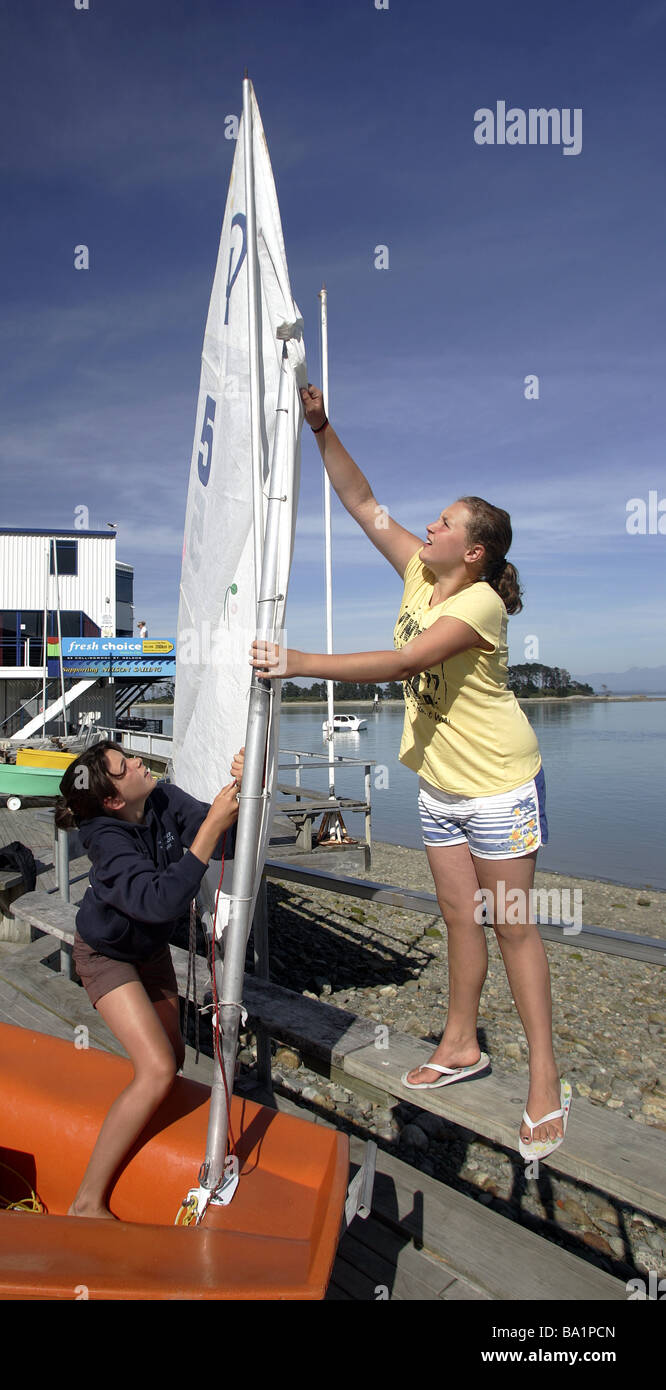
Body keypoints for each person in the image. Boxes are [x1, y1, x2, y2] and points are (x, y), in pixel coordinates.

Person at [250, 383, 570, 1163]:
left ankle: (547, 1081)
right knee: (461, 919)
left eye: (443, 522)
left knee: (514, 926)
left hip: (499, 785)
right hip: (439, 786)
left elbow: (405, 659)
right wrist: (321, 426)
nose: (425, 526)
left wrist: (298, 664)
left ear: (475, 551)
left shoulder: (484, 604)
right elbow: (362, 504)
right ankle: (462, 1044)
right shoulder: (421, 576)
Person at [56, 739, 243, 1218]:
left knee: (173, 1058)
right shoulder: (106, 839)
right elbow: (158, 900)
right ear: (114, 800)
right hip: (106, 954)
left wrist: (245, 784)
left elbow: (226, 840)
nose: (140, 761)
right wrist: (207, 835)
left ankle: (145, 1138)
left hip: (150, 950)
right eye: (126, 765)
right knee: (158, 1067)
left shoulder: (161, 797)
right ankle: (86, 1201)